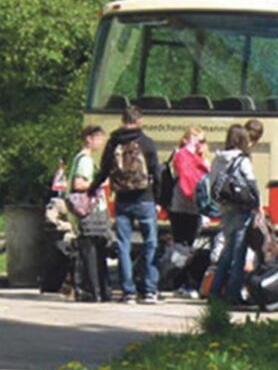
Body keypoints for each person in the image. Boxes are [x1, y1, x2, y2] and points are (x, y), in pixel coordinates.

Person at [91, 106, 161, 304]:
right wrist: (158, 199)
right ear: (140, 121)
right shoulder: (147, 143)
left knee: (123, 245)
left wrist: (91, 190)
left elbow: (104, 170)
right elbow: (156, 173)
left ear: (122, 120)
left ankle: (128, 291)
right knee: (151, 243)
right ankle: (149, 290)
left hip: (122, 199)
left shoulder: (114, 142)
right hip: (145, 199)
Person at [209, 124, 260, 305]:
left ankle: (214, 291)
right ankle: (233, 293)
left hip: (224, 209)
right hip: (240, 209)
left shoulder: (217, 158)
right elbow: (252, 184)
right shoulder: (242, 160)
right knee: (239, 253)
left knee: (227, 251)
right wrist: (257, 205)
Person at [69, 125, 110, 302]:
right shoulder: (85, 160)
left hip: (90, 213)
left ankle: (96, 290)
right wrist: (100, 183)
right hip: (90, 213)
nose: (101, 142)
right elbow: (79, 184)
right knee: (92, 252)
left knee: (94, 251)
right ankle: (94, 290)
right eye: (99, 138)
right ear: (89, 139)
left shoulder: (82, 158)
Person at [169, 127, 209, 298]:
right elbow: (187, 180)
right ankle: (179, 281)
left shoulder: (200, 159)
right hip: (181, 207)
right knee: (182, 247)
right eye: (195, 140)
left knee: (189, 247)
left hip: (193, 208)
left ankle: (184, 282)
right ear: (185, 140)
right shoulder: (181, 155)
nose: (198, 144)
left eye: (201, 141)